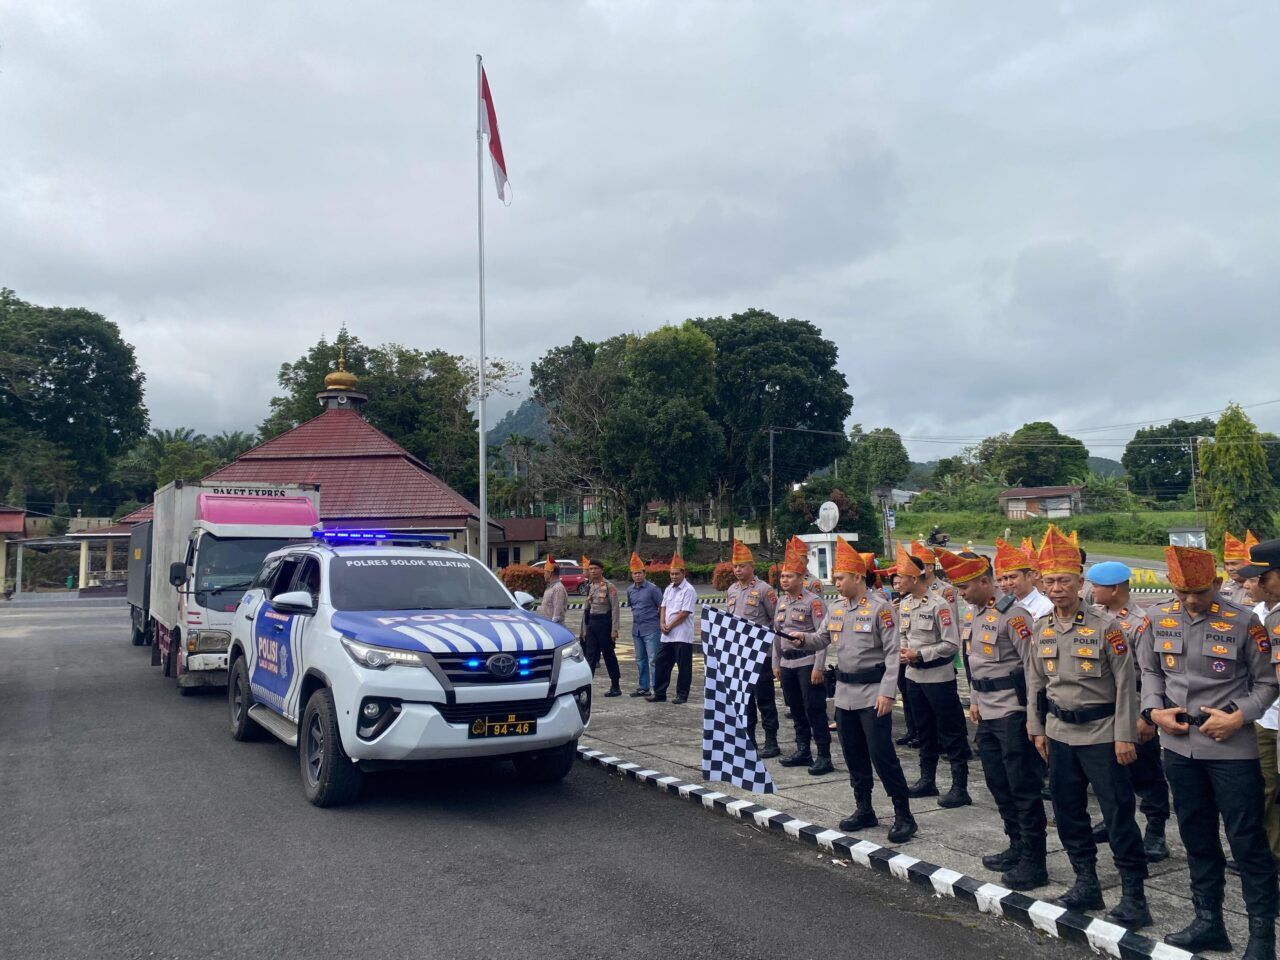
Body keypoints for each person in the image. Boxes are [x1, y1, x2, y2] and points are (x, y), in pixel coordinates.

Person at [1141, 543, 1279, 958]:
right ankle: (1208, 921)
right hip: (1179, 747)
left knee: (1247, 840)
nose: (1190, 601)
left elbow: (1268, 684)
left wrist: (1238, 717)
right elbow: (1149, 669)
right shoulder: (1156, 617)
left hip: (1231, 748)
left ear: (1218, 583)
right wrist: (1153, 711)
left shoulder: (1244, 623)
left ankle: (1261, 938)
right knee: (1197, 837)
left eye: (1200, 591)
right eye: (1182, 592)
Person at [1024, 525, 1150, 928]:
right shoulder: (1041, 629)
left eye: (1064, 580)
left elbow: (1128, 685)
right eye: (1050, 581)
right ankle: (1086, 882)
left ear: (1081, 582)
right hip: (1059, 733)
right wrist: (1036, 727)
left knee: (1117, 813)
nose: (1057, 588)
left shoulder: (1106, 627)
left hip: (1102, 734)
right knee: (1068, 810)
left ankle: (1134, 894)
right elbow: (1035, 684)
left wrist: (1125, 734)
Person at [938, 547, 1048, 890]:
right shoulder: (976, 614)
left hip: (1012, 713)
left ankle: (1035, 859)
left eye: (966, 588)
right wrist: (974, 701)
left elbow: (1033, 671)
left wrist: (1034, 720)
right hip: (986, 711)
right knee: (998, 783)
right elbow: (977, 665)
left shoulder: (1015, 617)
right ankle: (1016, 844)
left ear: (985, 582)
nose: (962, 595)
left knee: (1022, 786)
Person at [798, 536, 917, 842]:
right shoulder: (835, 608)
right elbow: (821, 639)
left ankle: (904, 814)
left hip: (873, 692)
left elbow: (893, 654)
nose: (835, 583)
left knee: (882, 754)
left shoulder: (881, 609)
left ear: (856, 577)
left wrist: (888, 692)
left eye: (839, 578)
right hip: (845, 694)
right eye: (834, 578)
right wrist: (800, 637)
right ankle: (864, 807)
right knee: (852, 753)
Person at [1085, 560, 1171, 863]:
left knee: (1147, 772)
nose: (1091, 590)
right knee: (1109, 773)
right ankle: (1114, 821)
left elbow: (1151, 671)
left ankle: (1156, 831)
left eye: (1096, 585)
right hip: (1102, 705)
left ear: (1115, 588)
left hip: (1134, 702)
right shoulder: (1092, 616)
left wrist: (1148, 715)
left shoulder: (1139, 622)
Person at [896, 543, 972, 807]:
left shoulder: (939, 605)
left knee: (950, 731)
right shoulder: (905, 604)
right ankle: (927, 780)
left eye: (901, 577)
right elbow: (903, 635)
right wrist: (905, 651)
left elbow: (951, 645)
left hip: (938, 677)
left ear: (914, 578)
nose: (897, 581)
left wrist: (919, 654)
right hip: (914, 677)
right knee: (924, 730)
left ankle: (959, 786)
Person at [772, 535, 833, 775]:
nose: (784, 580)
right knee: (796, 710)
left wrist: (819, 666)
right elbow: (777, 634)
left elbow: (822, 636)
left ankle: (824, 756)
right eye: (782, 576)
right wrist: (776, 663)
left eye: (789, 576)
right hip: (787, 664)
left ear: (801, 578)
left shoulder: (814, 602)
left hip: (808, 663)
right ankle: (802, 750)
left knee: (814, 710)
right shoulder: (781, 602)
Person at [725, 539, 781, 758]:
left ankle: (772, 742)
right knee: (744, 700)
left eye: (742, 566)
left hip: (760, 654)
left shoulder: (764, 590)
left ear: (752, 567)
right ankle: (748, 739)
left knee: (765, 700)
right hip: (739, 654)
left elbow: (774, 622)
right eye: (735, 566)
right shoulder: (731, 590)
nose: (738, 570)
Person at [1244, 559, 1280, 865]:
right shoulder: (1254, 615)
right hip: (1266, 717)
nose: (1253, 584)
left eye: (1261, 578)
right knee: (1266, 788)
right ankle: (1270, 854)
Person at [651, 552, 698, 704]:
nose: (673, 577)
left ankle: (682, 695)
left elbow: (685, 613)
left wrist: (670, 625)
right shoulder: (669, 588)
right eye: (671, 574)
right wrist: (662, 623)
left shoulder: (689, 590)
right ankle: (659, 693)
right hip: (667, 634)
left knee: (683, 667)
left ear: (683, 573)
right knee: (661, 663)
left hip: (682, 635)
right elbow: (663, 607)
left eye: (676, 574)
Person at [580, 558, 622, 697]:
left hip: (605, 623)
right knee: (590, 656)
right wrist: (584, 629)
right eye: (590, 569)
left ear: (601, 570)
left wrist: (614, 629)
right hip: (592, 623)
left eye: (595, 569)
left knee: (609, 655)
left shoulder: (609, 586)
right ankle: (586, 687)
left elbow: (615, 608)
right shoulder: (590, 586)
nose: (593, 571)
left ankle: (615, 686)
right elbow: (586, 609)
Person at [626, 552, 663, 699]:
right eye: (634, 574)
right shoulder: (630, 590)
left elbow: (662, 607)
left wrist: (660, 624)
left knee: (653, 660)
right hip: (637, 630)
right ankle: (643, 687)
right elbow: (632, 607)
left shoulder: (653, 589)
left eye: (639, 573)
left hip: (652, 629)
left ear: (644, 573)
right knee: (640, 660)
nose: (637, 576)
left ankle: (656, 688)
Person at [995, 538, 1053, 620]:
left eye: (1013, 577)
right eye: (1005, 578)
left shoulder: (1047, 607)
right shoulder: (1004, 604)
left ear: (1029, 576)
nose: (1008, 582)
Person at [1222, 529, 1262, 608]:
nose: (1230, 568)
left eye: (1234, 564)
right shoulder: (1221, 587)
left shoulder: (1261, 588)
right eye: (1227, 564)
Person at [537, 555, 568, 625]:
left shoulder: (558, 588)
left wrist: (552, 627)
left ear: (551, 573)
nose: (544, 574)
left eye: (545, 572)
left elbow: (557, 613)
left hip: (554, 626)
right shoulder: (550, 587)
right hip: (548, 624)